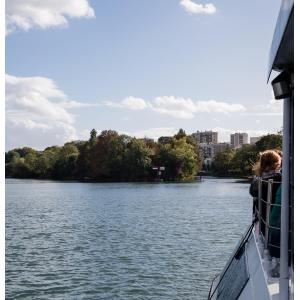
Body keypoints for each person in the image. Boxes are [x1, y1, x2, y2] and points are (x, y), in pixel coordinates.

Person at [249, 150, 282, 233]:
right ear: (277, 164)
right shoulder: (279, 179)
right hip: (274, 221)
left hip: (262, 220)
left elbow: (252, 193)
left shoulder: (257, 180)